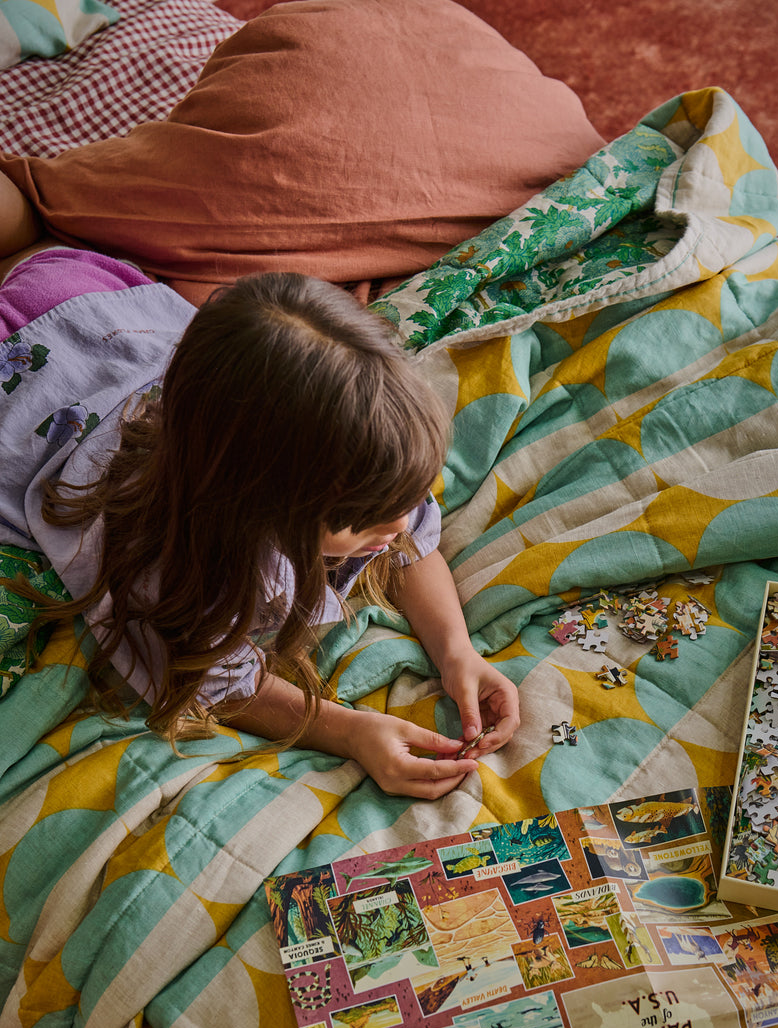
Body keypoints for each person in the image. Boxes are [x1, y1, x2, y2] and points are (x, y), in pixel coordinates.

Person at [0, 175, 519, 799]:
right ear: (253, 507)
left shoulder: (352, 469)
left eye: (403, 500)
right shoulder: (166, 557)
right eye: (366, 519)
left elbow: (408, 547)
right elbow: (214, 681)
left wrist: (457, 651)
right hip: (32, 355)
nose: (402, 526)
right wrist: (349, 731)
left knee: (18, 228)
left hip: (98, 307)